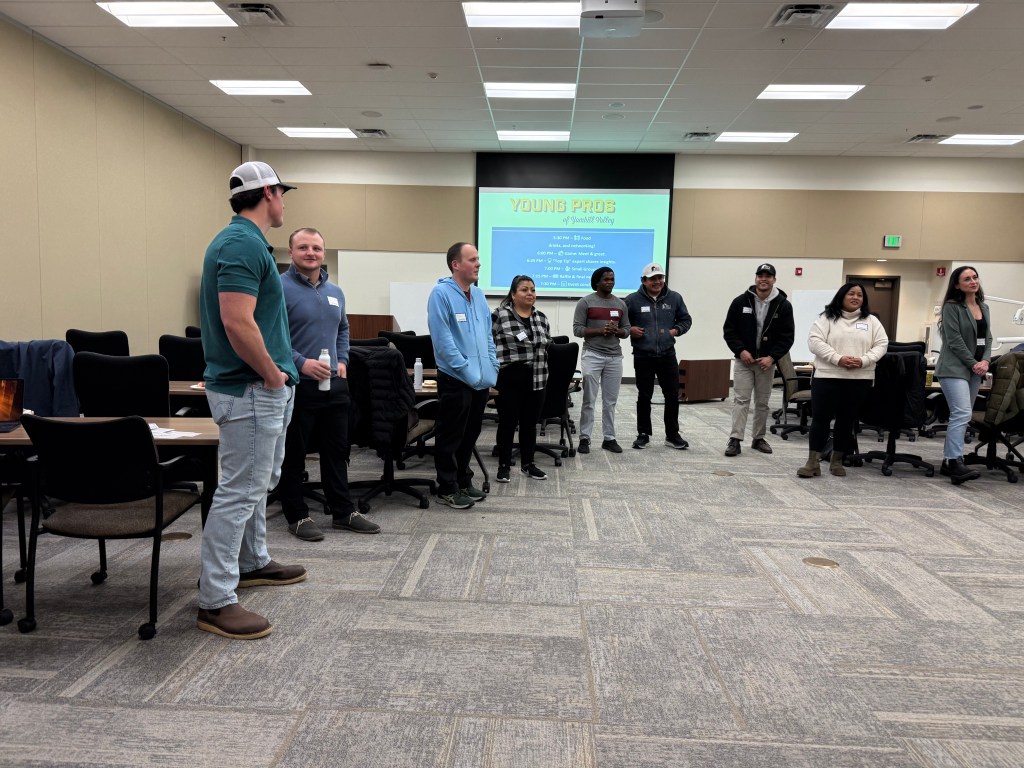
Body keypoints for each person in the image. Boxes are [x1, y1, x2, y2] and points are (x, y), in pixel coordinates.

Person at [197, 161, 304, 641]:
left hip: (256, 387)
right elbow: (238, 323)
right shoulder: (241, 243)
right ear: (269, 194)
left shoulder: (244, 241)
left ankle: (253, 560)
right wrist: (272, 377)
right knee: (239, 490)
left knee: (256, 484)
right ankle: (216, 600)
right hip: (251, 387)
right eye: (282, 193)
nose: (284, 201)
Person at [277, 227, 380, 541]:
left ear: (323, 253)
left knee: (337, 450)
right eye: (304, 248)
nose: (311, 253)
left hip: (335, 386)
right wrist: (301, 362)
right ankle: (296, 515)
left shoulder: (336, 291)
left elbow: (343, 330)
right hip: (298, 384)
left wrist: (343, 360)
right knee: (294, 453)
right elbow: (273, 338)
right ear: (292, 252)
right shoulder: (278, 288)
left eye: (317, 248)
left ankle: (343, 512)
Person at [427, 242, 499, 509]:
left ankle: (463, 480)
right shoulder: (440, 294)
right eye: (472, 259)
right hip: (455, 378)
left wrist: (492, 365)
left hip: (481, 378)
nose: (478, 263)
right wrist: (466, 369)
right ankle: (447, 487)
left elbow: (487, 336)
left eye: (478, 259)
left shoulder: (478, 295)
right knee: (450, 435)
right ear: (456, 264)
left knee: (470, 433)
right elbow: (443, 341)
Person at [798, 282, 888, 479]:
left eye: (860, 295)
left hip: (859, 378)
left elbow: (882, 344)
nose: (856, 297)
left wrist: (864, 360)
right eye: (851, 294)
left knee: (846, 421)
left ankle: (837, 460)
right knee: (820, 419)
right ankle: (812, 462)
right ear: (842, 296)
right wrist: (837, 358)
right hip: (827, 376)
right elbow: (815, 342)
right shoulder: (826, 318)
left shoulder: (871, 321)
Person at [722, 263, 795, 457]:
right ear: (755, 279)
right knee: (741, 400)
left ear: (774, 280)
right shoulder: (740, 302)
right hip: (744, 361)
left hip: (766, 363)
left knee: (762, 403)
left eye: (768, 276)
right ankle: (735, 439)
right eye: (760, 275)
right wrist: (741, 351)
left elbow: (787, 337)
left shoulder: (783, 305)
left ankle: (758, 438)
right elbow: (729, 331)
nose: (764, 279)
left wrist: (772, 357)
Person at [492, 275, 552, 482]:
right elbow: (487, 344)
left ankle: (528, 464)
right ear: (513, 294)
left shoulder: (541, 318)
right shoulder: (500, 315)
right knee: (507, 423)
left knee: (529, 424)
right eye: (525, 289)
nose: (530, 294)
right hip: (509, 377)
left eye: (533, 290)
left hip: (537, 378)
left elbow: (547, 348)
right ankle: (503, 465)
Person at [624, 263, 692, 450]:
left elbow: (686, 319)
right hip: (643, 355)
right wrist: (630, 330)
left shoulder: (675, 298)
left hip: (667, 355)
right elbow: (622, 323)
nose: (658, 282)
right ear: (644, 281)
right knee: (644, 395)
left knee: (671, 395)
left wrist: (675, 331)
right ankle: (643, 433)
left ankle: (672, 435)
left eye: (660, 278)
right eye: (653, 279)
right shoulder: (632, 300)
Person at [935, 265, 991, 485]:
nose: (973, 281)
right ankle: (953, 462)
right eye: (967, 279)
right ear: (957, 284)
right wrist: (974, 363)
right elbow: (954, 340)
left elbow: (987, 338)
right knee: (962, 412)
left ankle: (949, 462)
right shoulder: (952, 307)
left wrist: (985, 360)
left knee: (963, 415)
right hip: (954, 368)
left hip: (975, 369)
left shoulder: (983, 307)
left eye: (975, 277)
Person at [572, 267, 630, 454]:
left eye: (612, 279)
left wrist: (617, 331)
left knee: (610, 401)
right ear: (597, 281)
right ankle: (584, 438)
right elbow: (577, 330)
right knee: (589, 399)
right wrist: (599, 331)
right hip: (592, 355)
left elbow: (627, 330)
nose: (610, 282)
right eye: (606, 279)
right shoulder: (585, 302)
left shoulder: (620, 304)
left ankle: (609, 438)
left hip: (614, 357)